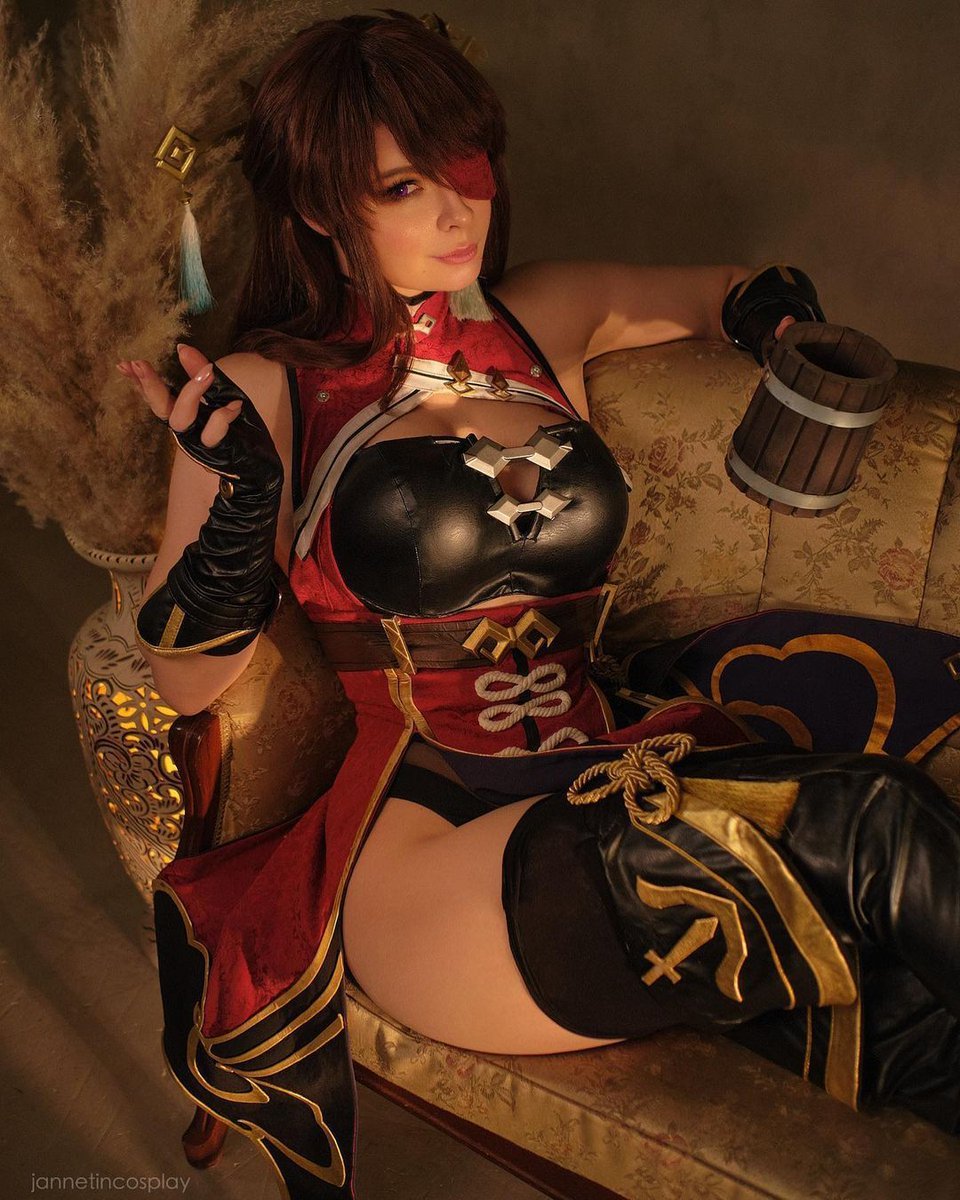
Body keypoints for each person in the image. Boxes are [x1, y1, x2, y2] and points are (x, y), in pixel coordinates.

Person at [117, 12, 960, 1198]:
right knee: (871, 817)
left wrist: (781, 328)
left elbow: (731, 289)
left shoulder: (543, 314)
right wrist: (239, 509)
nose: (457, 208)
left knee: (914, 1012)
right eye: (404, 186)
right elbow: (186, 683)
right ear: (315, 207)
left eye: (465, 163)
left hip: (608, 765)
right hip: (433, 855)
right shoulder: (265, 392)